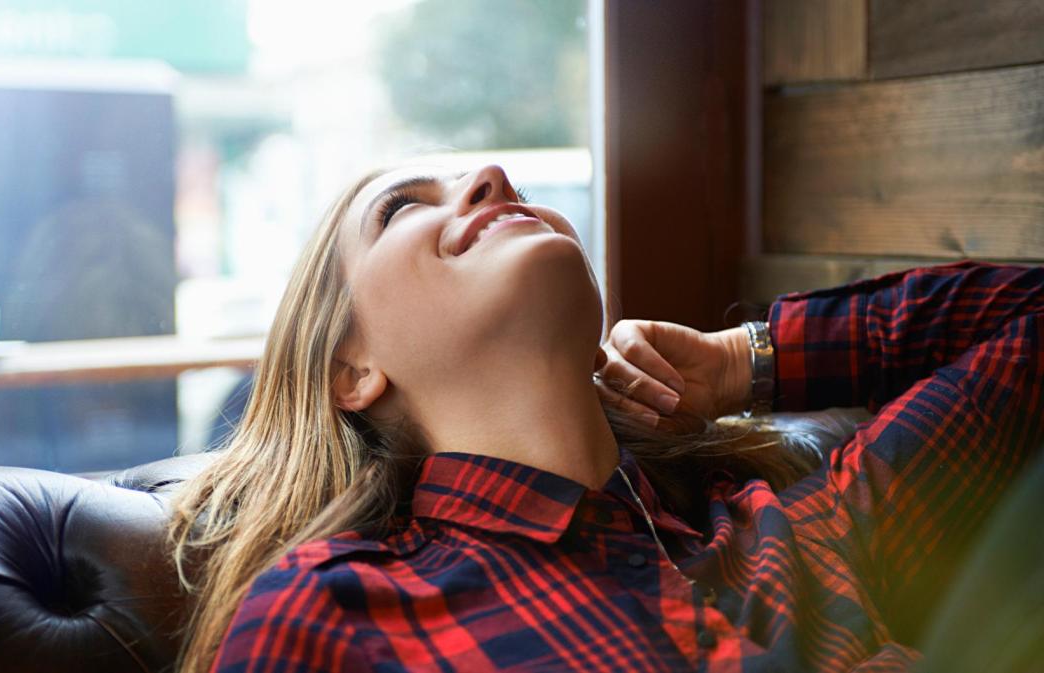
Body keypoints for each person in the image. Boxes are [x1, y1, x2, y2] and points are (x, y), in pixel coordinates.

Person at [167, 164, 1044, 672]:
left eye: (494, 180)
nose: (491, 178)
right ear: (350, 371)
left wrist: (744, 361)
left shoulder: (792, 525)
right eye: (402, 207)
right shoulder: (334, 612)